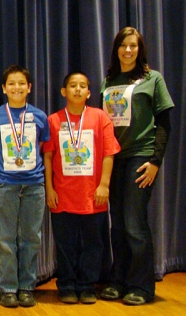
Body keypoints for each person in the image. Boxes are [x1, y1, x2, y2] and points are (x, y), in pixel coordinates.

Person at [99, 27, 174, 305]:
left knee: (134, 224)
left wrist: (155, 161)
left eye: (133, 46)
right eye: (123, 45)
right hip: (113, 160)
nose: (127, 50)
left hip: (141, 158)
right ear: (116, 49)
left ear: (140, 49)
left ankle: (141, 286)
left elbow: (165, 124)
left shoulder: (153, 79)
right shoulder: (108, 81)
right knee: (117, 225)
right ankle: (118, 281)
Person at [43, 72, 120, 304]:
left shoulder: (100, 118)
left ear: (89, 92)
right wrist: (49, 189)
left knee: (92, 244)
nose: (77, 89)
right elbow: (47, 157)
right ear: (63, 91)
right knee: (65, 244)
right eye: (72, 85)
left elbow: (108, 153)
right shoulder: (53, 120)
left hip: (92, 195)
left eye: (83, 86)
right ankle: (66, 284)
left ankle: (87, 285)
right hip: (63, 195)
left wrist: (104, 185)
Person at [0, 65, 50, 308]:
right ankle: (8, 288)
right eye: (11, 83)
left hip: (33, 184)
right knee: (5, 239)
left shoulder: (40, 117)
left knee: (31, 237)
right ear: (3, 88)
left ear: (29, 87)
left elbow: (44, 150)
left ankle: (26, 287)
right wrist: (5, 170)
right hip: (4, 184)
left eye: (22, 83)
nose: (17, 87)